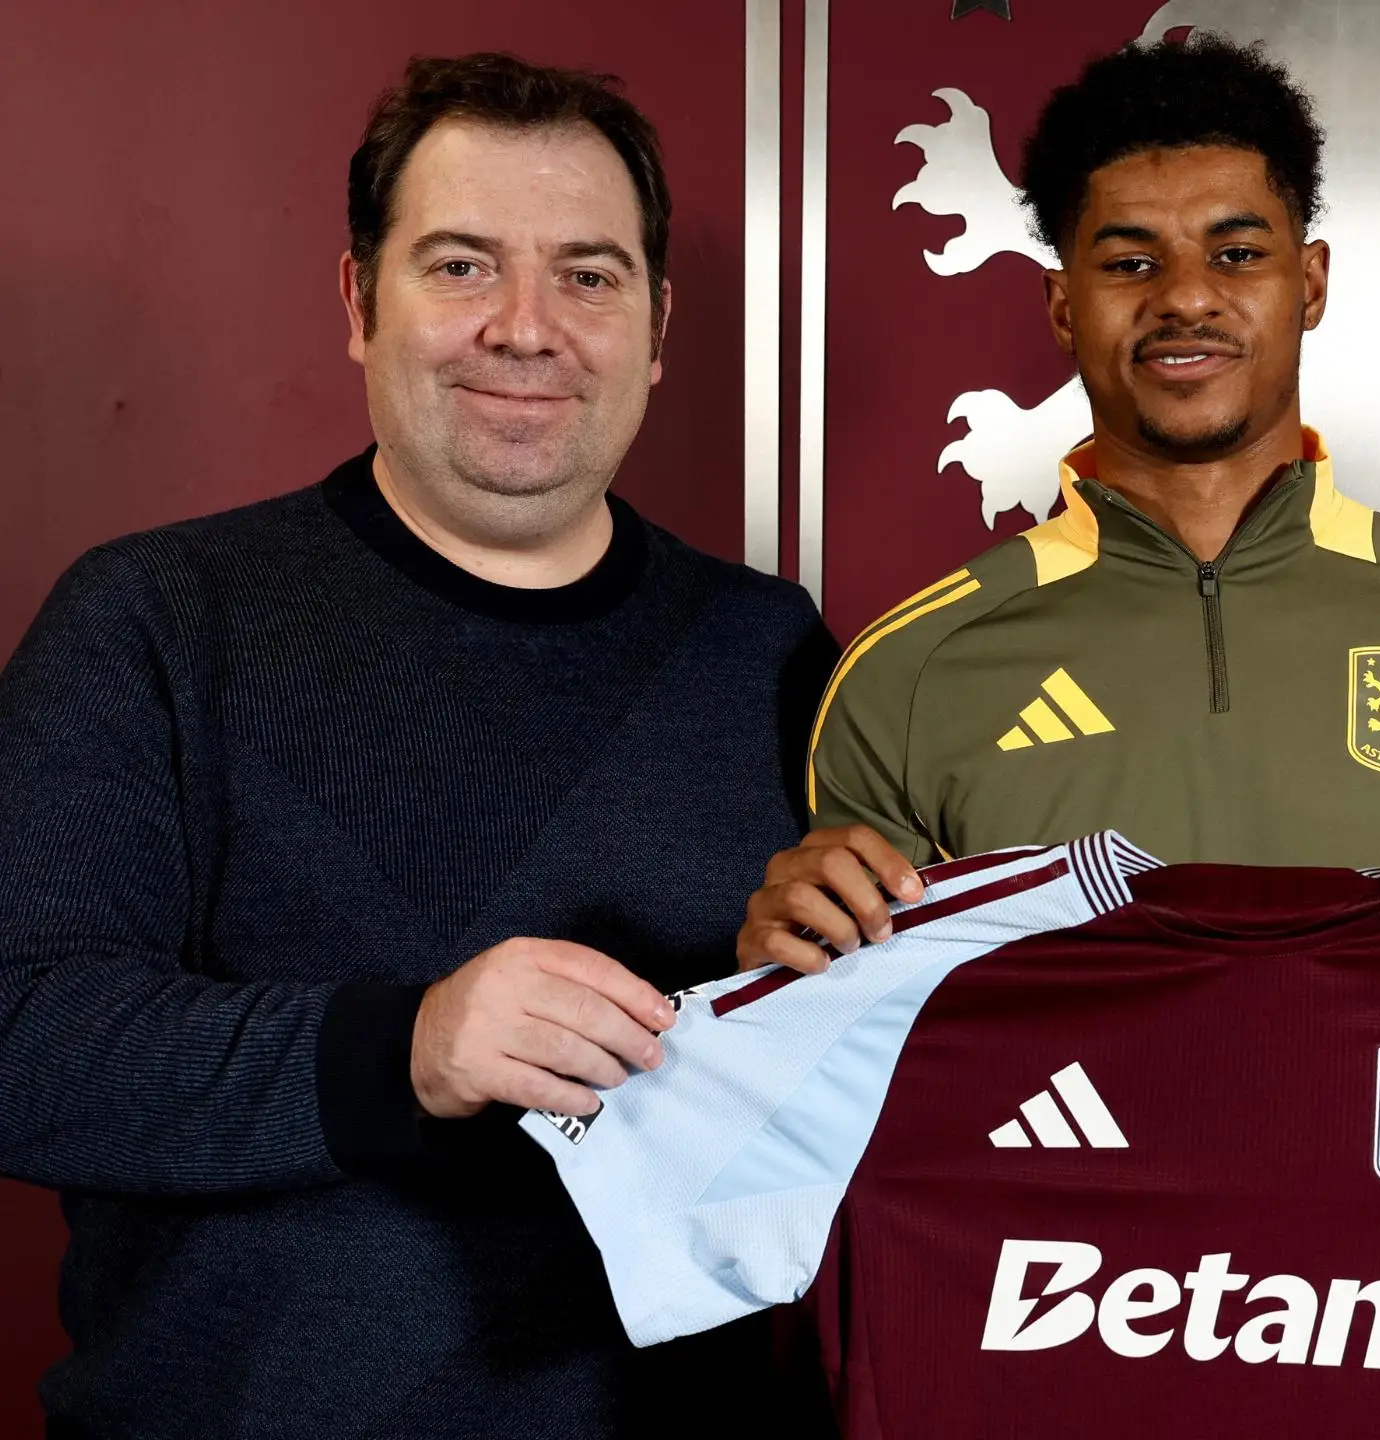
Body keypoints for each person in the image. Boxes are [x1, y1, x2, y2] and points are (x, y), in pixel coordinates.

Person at [0, 54, 834, 1437]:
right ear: (357, 301)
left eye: (588, 274)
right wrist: (405, 1052)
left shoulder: (775, 649)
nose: (526, 327)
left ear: (658, 321)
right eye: (459, 266)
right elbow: (19, 1037)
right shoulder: (156, 618)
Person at [738, 35, 1380, 975]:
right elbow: (862, 1059)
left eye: (1235, 254)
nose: (1184, 298)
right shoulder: (907, 677)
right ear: (1059, 305)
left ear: (1309, 284)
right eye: (1130, 262)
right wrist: (788, 978)